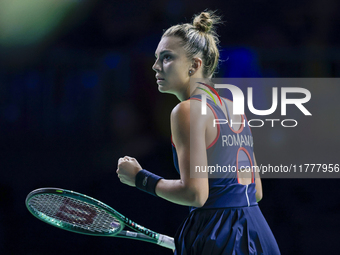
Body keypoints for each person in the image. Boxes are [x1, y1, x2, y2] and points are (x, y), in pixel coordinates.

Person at [116, 11, 280, 255]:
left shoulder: (187, 111)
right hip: (258, 232)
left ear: (194, 64)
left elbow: (195, 194)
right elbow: (255, 191)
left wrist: (140, 178)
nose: (155, 66)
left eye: (167, 57)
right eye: (157, 57)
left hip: (218, 236)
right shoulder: (234, 109)